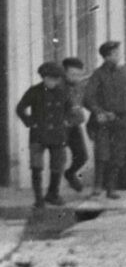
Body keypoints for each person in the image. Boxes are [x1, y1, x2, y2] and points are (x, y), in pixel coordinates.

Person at [83, 41, 126, 200]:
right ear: (107, 57)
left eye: (118, 52)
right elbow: (88, 98)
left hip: (121, 120)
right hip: (104, 122)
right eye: (115, 53)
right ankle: (98, 186)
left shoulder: (123, 72)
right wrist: (101, 112)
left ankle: (111, 188)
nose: (119, 55)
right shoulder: (98, 75)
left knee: (117, 155)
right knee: (102, 154)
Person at [17, 62, 74, 208]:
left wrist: (67, 121)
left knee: (58, 165)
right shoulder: (34, 91)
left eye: (56, 79)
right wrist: (30, 122)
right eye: (50, 79)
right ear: (44, 77)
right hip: (38, 134)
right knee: (36, 166)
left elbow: (70, 109)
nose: (53, 82)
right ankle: (38, 198)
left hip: (57, 134)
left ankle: (52, 194)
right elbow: (20, 108)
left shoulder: (63, 92)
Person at [61, 57, 89, 193]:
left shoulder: (80, 86)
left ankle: (70, 173)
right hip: (61, 127)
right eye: (73, 74)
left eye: (79, 74)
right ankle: (54, 191)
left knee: (82, 156)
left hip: (74, 125)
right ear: (64, 73)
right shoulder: (58, 87)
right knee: (59, 158)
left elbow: (87, 101)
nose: (77, 77)